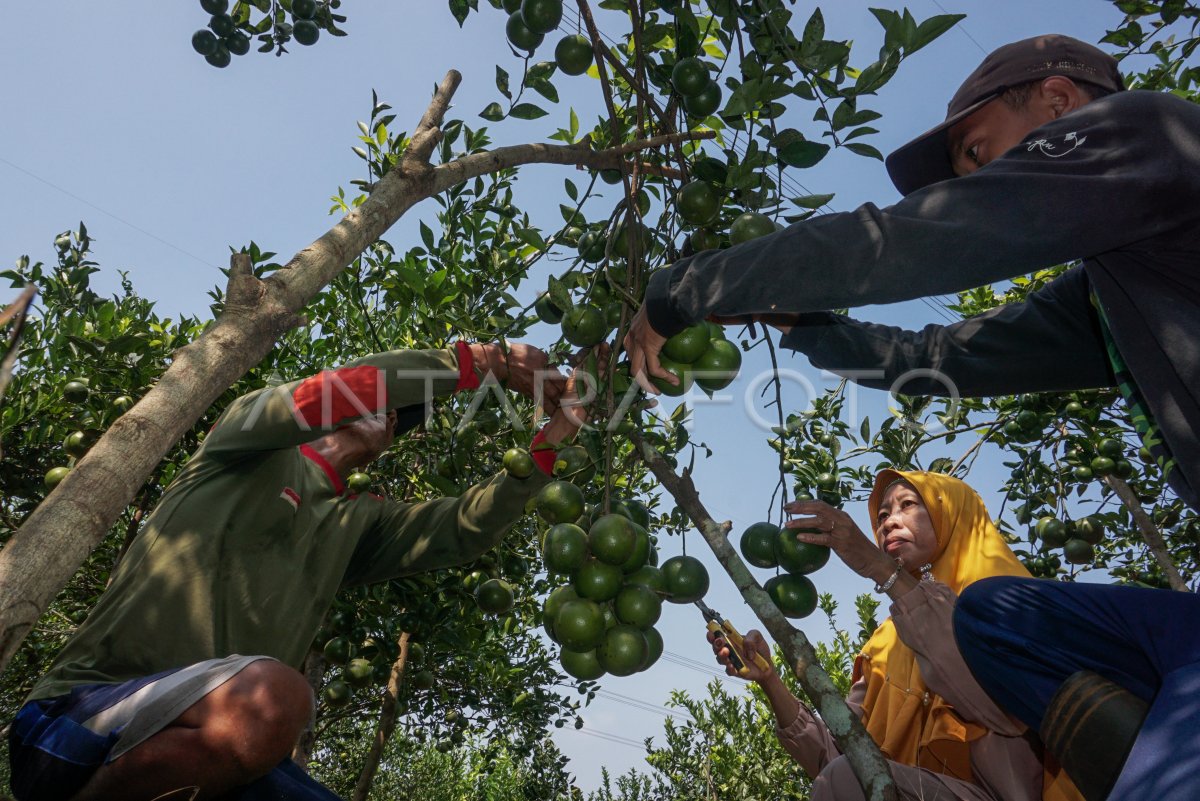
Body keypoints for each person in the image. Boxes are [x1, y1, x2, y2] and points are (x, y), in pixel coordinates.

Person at [624, 33, 1200, 512]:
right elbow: (938, 360)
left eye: (975, 153)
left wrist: (684, 289)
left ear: (1058, 101)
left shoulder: (1143, 128)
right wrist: (805, 326)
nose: (978, 189)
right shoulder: (1117, 291)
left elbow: (901, 242)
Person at [8, 340, 591, 801]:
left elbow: (463, 528)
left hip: (212, 761)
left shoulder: (355, 524)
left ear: (389, 437)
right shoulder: (247, 444)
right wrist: (483, 361)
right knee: (275, 699)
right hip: (76, 725)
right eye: (377, 400)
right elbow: (337, 392)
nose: (381, 412)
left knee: (269, 716)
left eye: (394, 416)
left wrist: (551, 442)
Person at [710, 469, 1081, 801]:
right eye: (883, 514)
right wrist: (770, 679)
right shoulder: (888, 640)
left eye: (907, 505)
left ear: (952, 513)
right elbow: (840, 758)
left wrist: (877, 566)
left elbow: (1001, 710)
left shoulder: (1008, 596)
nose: (889, 522)